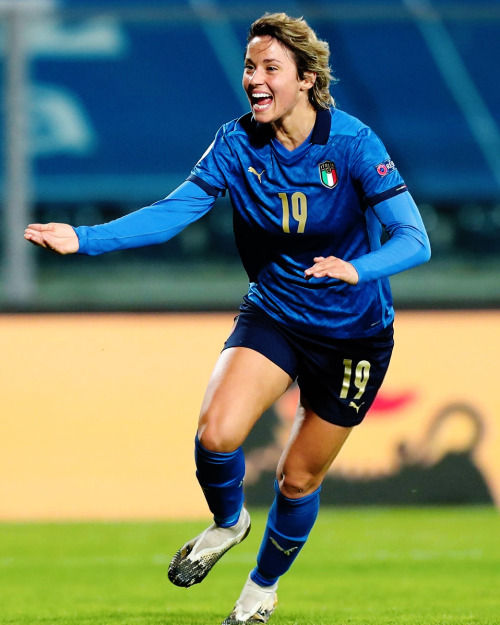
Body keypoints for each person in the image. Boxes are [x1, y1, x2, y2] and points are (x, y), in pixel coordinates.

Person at [25, 12, 431, 624]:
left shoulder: (352, 144)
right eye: (249, 67)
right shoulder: (237, 142)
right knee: (215, 435)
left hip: (354, 335)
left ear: (308, 79)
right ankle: (228, 522)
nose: (255, 79)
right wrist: (85, 239)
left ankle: (262, 587)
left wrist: (358, 269)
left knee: (297, 481)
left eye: (271, 68)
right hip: (275, 314)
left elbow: (416, 240)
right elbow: (176, 210)